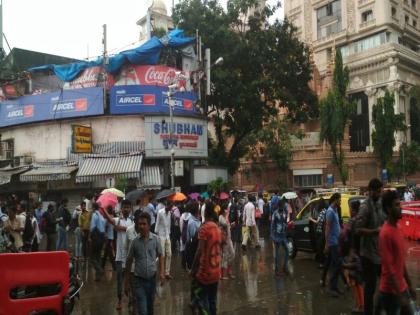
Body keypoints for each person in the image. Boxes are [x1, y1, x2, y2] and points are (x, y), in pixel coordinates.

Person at [378, 190, 416, 314]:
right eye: (396, 205)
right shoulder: (385, 233)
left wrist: (409, 285)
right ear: (388, 209)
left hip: (402, 287)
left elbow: (400, 262)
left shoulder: (399, 228)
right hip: (390, 292)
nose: (400, 208)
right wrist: (400, 297)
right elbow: (389, 269)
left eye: (400, 204)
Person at [124, 212, 164, 315]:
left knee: (150, 308)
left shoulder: (155, 239)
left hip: (152, 280)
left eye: (144, 224)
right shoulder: (134, 242)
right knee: (143, 310)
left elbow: (161, 255)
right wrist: (126, 282)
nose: (141, 226)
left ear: (149, 225)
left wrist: (162, 273)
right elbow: (128, 261)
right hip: (139, 281)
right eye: (139, 224)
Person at [355, 178, 384, 315]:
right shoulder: (365, 206)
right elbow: (358, 229)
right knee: (370, 287)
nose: (379, 194)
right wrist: (374, 232)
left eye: (381, 191)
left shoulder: (379, 203)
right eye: (378, 192)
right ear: (371, 191)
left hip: (379, 253)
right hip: (368, 254)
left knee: (384, 285)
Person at [190, 201, 222, 315]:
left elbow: (199, 250)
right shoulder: (217, 228)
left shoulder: (204, 229)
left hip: (205, 271)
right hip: (216, 270)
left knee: (203, 301)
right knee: (212, 300)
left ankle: (194, 303)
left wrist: (193, 268)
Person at [108, 200, 133, 311]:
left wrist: (123, 229)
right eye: (124, 207)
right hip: (119, 256)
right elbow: (109, 219)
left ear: (130, 209)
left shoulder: (132, 222)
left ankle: (132, 301)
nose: (126, 209)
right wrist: (103, 209)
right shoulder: (118, 220)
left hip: (130, 256)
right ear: (121, 209)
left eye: (128, 207)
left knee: (131, 279)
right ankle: (119, 301)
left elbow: (135, 231)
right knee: (119, 280)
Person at [324, 193, 342, 297]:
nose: (340, 202)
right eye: (339, 200)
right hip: (332, 242)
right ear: (335, 200)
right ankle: (332, 286)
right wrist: (326, 243)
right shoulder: (330, 211)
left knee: (333, 264)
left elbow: (337, 225)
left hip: (337, 241)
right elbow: (327, 228)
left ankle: (334, 287)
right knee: (337, 264)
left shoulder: (335, 210)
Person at [270, 198, 289, 275]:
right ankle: (277, 270)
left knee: (288, 250)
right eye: (282, 206)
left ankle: (284, 267)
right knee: (277, 254)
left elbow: (285, 222)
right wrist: (272, 236)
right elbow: (272, 225)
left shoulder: (285, 212)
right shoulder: (275, 213)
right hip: (277, 236)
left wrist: (287, 225)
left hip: (283, 235)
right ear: (279, 206)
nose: (283, 207)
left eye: (283, 205)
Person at [155, 201, 173, 279]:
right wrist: (157, 235)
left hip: (167, 235)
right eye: (170, 207)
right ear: (167, 205)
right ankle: (161, 272)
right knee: (162, 255)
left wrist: (169, 234)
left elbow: (169, 224)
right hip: (161, 235)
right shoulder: (160, 212)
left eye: (171, 207)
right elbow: (157, 223)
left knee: (169, 254)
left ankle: (167, 273)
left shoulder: (169, 213)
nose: (170, 209)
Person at [90, 202, 106, 281]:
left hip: (96, 237)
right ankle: (98, 277)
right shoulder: (101, 215)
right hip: (102, 237)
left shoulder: (94, 215)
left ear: (93, 208)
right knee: (98, 256)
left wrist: (90, 237)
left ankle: (99, 270)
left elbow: (92, 228)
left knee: (92, 257)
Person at [219, 205, 235, 279]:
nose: (227, 210)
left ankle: (229, 271)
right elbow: (225, 224)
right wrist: (227, 216)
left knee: (232, 254)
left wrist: (231, 224)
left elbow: (227, 226)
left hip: (229, 238)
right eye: (226, 209)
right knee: (224, 256)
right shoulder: (221, 217)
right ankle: (222, 274)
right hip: (224, 239)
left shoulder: (226, 217)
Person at [186, 201, 201, 270]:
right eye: (198, 208)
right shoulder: (192, 222)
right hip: (193, 249)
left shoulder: (196, 220)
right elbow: (194, 238)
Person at [102, 206, 116, 271]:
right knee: (106, 251)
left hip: (107, 236)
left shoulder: (108, 218)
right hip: (110, 236)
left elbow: (106, 227)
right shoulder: (112, 216)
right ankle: (102, 265)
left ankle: (114, 266)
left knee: (109, 252)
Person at [180, 203, 192, 270]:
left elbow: (181, 227)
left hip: (183, 236)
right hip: (188, 236)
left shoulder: (181, 216)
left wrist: (182, 234)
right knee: (188, 250)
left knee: (183, 249)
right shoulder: (190, 216)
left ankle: (183, 264)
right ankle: (188, 265)